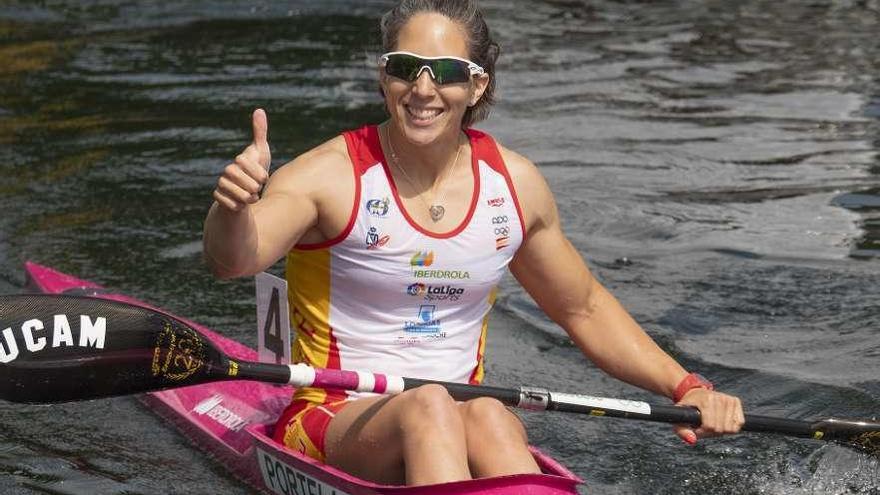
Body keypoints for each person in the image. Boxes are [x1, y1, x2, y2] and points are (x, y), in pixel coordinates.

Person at [202, 0, 744, 486]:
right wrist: (232, 207)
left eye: (447, 73)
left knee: (488, 412)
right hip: (333, 413)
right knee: (431, 404)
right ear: (383, 77)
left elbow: (584, 308)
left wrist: (687, 386)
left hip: (459, 414)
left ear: (477, 86)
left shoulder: (515, 185)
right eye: (405, 68)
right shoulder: (329, 175)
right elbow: (235, 259)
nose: (423, 89)